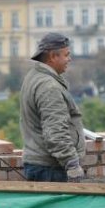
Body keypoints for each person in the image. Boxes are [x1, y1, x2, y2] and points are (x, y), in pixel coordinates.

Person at [20, 32, 86, 183]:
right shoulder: (48, 86)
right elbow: (55, 131)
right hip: (49, 169)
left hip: (40, 165)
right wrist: (72, 163)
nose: (69, 59)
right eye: (66, 55)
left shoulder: (34, 76)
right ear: (52, 57)